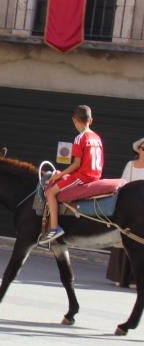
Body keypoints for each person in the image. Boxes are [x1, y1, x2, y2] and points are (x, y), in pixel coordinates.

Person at [41, 105, 104, 244]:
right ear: (91, 120)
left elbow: (76, 164)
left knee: (50, 192)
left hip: (83, 177)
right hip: (95, 175)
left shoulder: (79, 138)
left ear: (74, 120)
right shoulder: (97, 137)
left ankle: (54, 227)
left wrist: (58, 175)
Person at [107, 136, 144, 287]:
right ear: (139, 150)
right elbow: (122, 183)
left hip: (142, 209)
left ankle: (136, 279)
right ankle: (121, 277)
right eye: (143, 148)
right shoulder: (130, 164)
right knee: (122, 237)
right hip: (128, 206)